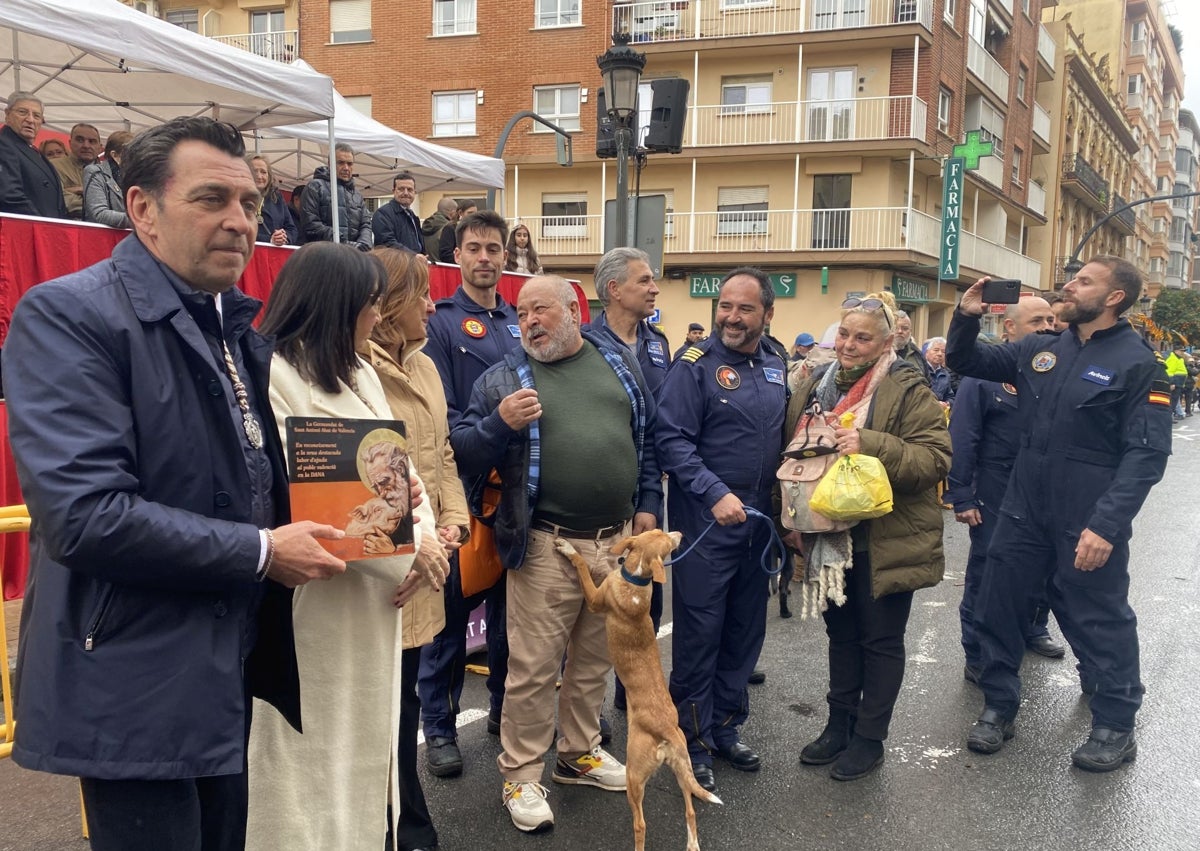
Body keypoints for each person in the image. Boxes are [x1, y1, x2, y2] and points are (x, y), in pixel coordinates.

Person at [3, 116, 346, 851]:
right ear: (141, 209)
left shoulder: (233, 328)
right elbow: (84, 514)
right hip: (133, 681)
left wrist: (368, 513)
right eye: (211, 198)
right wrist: (260, 550)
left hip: (222, 668)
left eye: (250, 203)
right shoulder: (69, 315)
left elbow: (250, 474)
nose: (239, 220)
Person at [247, 242, 448, 851]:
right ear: (335, 307)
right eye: (367, 305)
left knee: (369, 754)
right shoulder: (273, 374)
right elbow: (315, 493)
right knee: (307, 763)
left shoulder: (358, 370)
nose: (375, 317)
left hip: (374, 608)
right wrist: (412, 551)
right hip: (319, 609)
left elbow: (402, 473)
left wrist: (429, 540)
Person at [450, 274, 662, 833]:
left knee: (594, 659)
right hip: (548, 544)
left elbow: (646, 441)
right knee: (533, 668)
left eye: (540, 310)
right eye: (521, 315)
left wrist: (647, 503)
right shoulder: (503, 379)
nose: (529, 322)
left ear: (574, 309)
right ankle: (521, 774)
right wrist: (500, 423)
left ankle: (578, 753)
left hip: (614, 542)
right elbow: (462, 452)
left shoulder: (617, 363)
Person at [947, 258, 1172, 772]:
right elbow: (967, 361)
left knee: (1101, 620)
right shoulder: (1042, 347)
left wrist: (1105, 526)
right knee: (997, 609)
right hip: (1023, 511)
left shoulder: (1139, 363)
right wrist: (965, 316)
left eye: (1085, 281)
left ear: (1114, 298)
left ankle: (1115, 725)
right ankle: (998, 707)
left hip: (1085, 518)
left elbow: (1146, 456)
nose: (1069, 286)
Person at [787, 292, 950, 781]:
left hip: (885, 537)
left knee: (880, 640)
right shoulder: (815, 382)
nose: (850, 345)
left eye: (863, 338)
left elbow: (936, 458)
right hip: (827, 535)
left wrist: (871, 443)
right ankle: (839, 726)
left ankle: (870, 738)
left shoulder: (905, 385)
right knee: (841, 635)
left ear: (885, 345)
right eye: (844, 335)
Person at [655, 266, 788, 794]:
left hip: (760, 525)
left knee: (744, 632)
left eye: (744, 308)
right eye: (725, 307)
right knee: (700, 636)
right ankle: (693, 740)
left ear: (767, 314)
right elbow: (672, 441)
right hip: (708, 524)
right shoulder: (693, 367)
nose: (731, 317)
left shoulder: (777, 364)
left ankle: (728, 727)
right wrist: (714, 493)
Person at [367, 247, 472, 851]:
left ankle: (406, 821)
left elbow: (443, 456)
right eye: (423, 294)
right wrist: (416, 544)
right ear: (390, 303)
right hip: (389, 568)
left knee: (403, 703)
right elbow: (370, 480)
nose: (433, 305)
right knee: (380, 713)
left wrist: (453, 520)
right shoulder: (355, 370)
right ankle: (401, 829)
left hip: (430, 554)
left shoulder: (427, 366)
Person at [419, 209, 517, 778]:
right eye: (473, 248)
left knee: (510, 626)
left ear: (505, 256)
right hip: (461, 498)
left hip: (516, 505)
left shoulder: (515, 320)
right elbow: (445, 424)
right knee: (448, 623)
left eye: (493, 248)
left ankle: (505, 712)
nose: (484, 257)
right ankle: (439, 727)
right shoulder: (443, 324)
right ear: (456, 256)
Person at [946, 297, 1065, 688]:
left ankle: (1033, 628)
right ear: (1010, 329)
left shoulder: (1056, 369)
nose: (1048, 326)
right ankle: (977, 652)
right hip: (995, 489)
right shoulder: (986, 374)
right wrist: (961, 495)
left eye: (1051, 319)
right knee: (987, 574)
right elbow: (963, 437)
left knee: (1042, 567)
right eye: (1037, 321)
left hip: (1042, 489)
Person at [584, 246, 670, 711]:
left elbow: (656, 431)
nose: (654, 288)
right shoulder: (583, 344)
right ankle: (587, 710)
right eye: (644, 280)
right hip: (601, 498)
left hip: (644, 494)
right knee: (600, 608)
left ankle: (631, 693)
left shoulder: (658, 344)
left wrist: (650, 501)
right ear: (614, 290)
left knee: (645, 601)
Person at [0, 92, 68, 219]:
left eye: (36, 116)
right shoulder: (3, 144)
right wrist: (43, 225)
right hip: (26, 231)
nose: (30, 120)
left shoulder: (31, 150)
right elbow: (9, 195)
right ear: (7, 114)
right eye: (22, 112)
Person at [301, 142, 373, 250]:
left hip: (354, 256)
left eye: (349, 164)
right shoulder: (315, 187)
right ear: (330, 163)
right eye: (340, 163)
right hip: (323, 255)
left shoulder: (357, 195)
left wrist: (364, 243)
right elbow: (311, 224)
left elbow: (366, 225)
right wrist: (343, 242)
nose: (346, 168)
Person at [82, 130, 133, 229]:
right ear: (115, 155)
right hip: (101, 238)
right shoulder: (95, 172)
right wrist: (140, 220)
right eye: (132, 152)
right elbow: (99, 213)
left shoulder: (134, 175)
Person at [51, 122, 102, 219]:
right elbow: (59, 199)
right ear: (70, 143)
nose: (86, 145)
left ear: (100, 147)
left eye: (92, 141)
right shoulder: (54, 167)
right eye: (80, 140)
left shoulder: (109, 172)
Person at [248, 155, 298, 246]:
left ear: (269, 176)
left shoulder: (276, 197)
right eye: (254, 171)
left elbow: (292, 229)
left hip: (273, 256)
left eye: (263, 172)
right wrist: (269, 239)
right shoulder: (238, 197)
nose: (259, 176)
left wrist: (283, 237)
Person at [373, 171, 425, 254]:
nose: (406, 193)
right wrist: (414, 256)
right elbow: (387, 243)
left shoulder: (412, 216)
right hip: (394, 265)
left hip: (414, 264)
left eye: (410, 189)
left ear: (414, 192)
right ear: (394, 191)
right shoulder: (382, 214)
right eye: (401, 189)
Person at [892, 309, 931, 382]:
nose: (900, 331)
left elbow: (927, 382)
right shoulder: (879, 352)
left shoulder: (917, 354)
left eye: (905, 328)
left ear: (910, 331)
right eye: (896, 328)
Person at [1164, 343, 1189, 422]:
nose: (1183, 352)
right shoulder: (1172, 358)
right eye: (1181, 351)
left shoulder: (1179, 359)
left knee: (1174, 402)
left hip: (1178, 384)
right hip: (1175, 384)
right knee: (1172, 401)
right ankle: (1168, 417)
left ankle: (1169, 417)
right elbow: (1169, 372)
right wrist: (1171, 383)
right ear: (1176, 351)